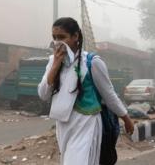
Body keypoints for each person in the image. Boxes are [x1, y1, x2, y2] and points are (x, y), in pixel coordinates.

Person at [38, 17, 134, 165]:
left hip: (87, 123)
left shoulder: (92, 62)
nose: (57, 42)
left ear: (75, 36)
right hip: (64, 125)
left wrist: (126, 118)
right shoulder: (53, 61)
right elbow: (43, 94)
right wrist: (55, 65)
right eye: (54, 38)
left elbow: (109, 94)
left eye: (62, 37)